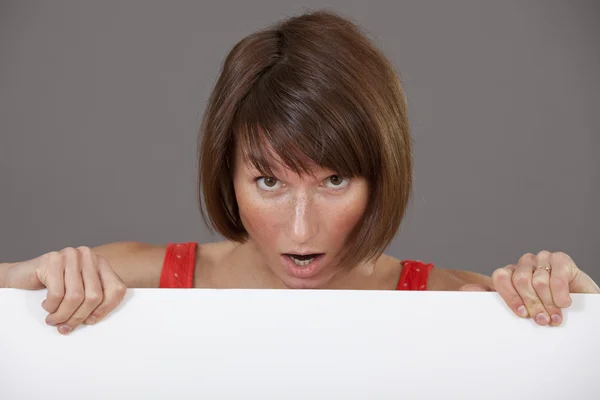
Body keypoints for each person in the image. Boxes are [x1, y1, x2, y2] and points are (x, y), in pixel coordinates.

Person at [0, 10, 598, 336]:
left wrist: (576, 304)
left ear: (380, 175)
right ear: (226, 175)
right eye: (269, 182)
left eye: (335, 180)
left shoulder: (456, 301)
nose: (302, 230)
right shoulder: (142, 277)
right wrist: (27, 278)